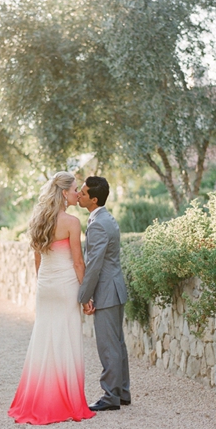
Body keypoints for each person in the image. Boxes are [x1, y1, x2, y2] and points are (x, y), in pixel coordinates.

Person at [8, 172, 95, 425]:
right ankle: (66, 401)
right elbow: (78, 263)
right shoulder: (71, 222)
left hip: (46, 284)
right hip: (66, 284)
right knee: (66, 338)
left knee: (44, 338)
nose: (78, 193)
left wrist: (43, 284)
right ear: (64, 193)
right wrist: (86, 295)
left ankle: (39, 399)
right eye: (75, 189)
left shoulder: (37, 219)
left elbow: (38, 259)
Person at [77, 176, 130, 411]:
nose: (79, 194)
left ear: (94, 199)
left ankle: (110, 397)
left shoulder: (98, 223)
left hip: (107, 291)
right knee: (117, 343)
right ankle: (122, 392)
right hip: (116, 288)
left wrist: (83, 296)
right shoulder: (107, 218)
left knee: (108, 346)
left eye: (83, 192)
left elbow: (94, 264)